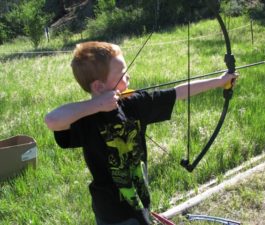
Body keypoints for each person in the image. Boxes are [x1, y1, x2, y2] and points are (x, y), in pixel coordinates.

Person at [44, 41, 237, 225]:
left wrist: (220, 82)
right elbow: (51, 120)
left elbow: (178, 92)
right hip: (111, 212)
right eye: (122, 74)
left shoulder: (134, 103)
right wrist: (96, 105)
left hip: (140, 198)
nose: (128, 77)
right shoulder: (85, 119)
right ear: (98, 86)